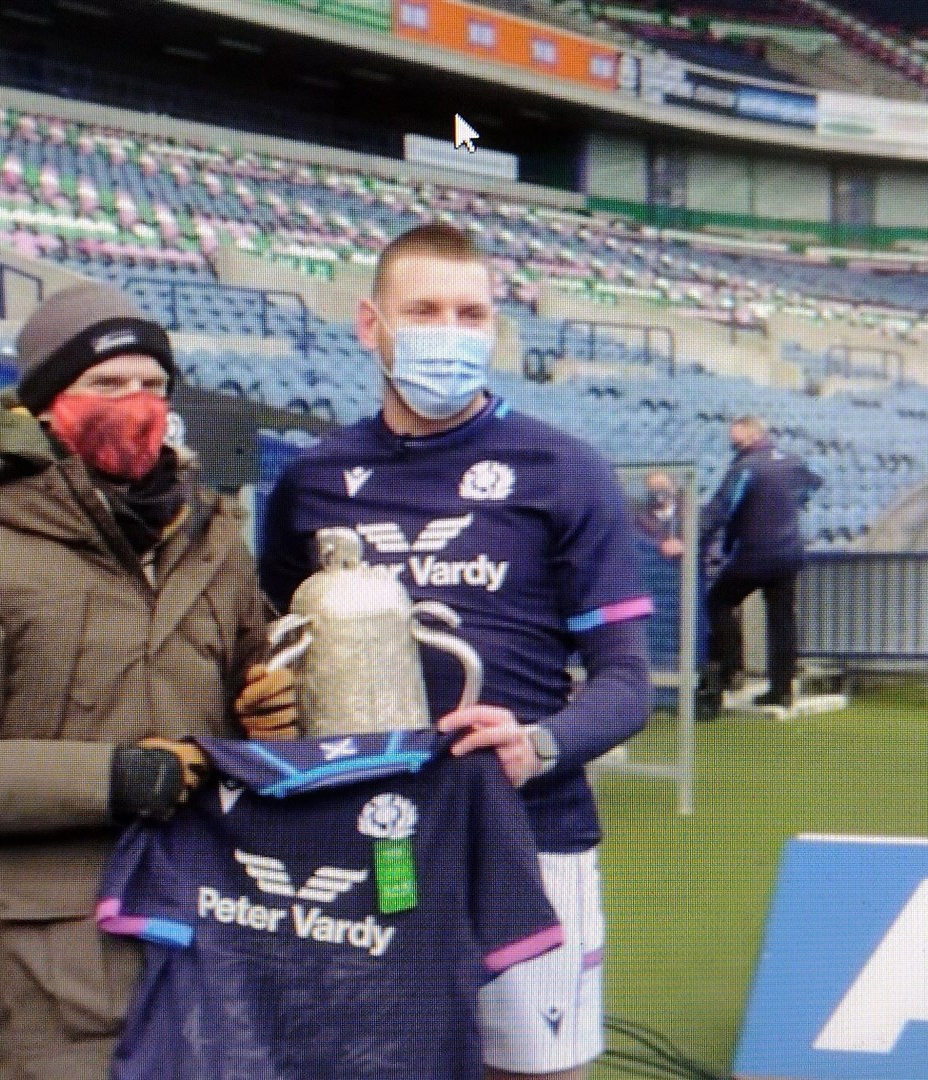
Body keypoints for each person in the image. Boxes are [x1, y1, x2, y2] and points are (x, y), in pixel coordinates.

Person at [0, 284, 297, 1080]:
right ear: (38, 408)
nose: (136, 404)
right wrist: (119, 777)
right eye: (105, 386)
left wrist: (278, 711)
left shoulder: (214, 545)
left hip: (222, 933)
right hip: (63, 978)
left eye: (154, 386)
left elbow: (254, 693)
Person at [259, 222, 653, 1080]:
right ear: (370, 323)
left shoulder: (565, 469)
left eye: (471, 313)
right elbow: (268, 650)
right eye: (425, 309)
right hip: (368, 840)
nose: (451, 331)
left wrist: (536, 745)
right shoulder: (309, 481)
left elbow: (627, 684)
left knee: (536, 1075)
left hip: (529, 837)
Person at [698, 415, 823, 710]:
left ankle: (728, 672)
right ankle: (782, 689)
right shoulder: (792, 461)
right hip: (789, 553)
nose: (732, 441)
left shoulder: (745, 467)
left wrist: (694, 532)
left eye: (736, 436)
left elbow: (722, 508)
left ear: (752, 434)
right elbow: (813, 484)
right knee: (782, 620)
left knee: (719, 601)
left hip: (755, 552)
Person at [634, 469, 686, 559]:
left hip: (687, 567)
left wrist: (684, 545)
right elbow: (638, 539)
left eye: (661, 486)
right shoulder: (640, 518)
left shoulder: (689, 514)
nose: (658, 491)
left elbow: (701, 537)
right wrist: (660, 545)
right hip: (655, 567)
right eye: (653, 488)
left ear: (673, 486)